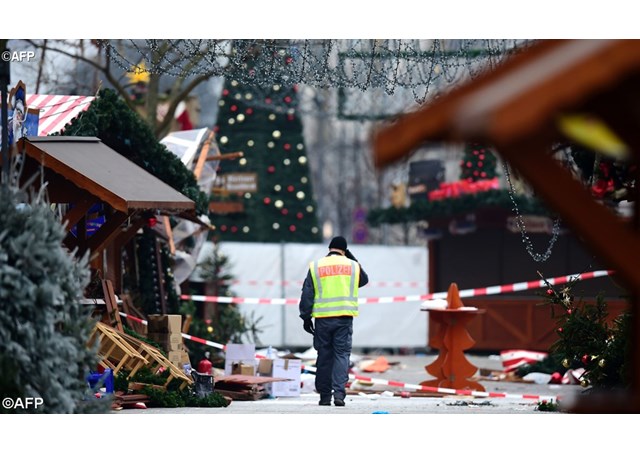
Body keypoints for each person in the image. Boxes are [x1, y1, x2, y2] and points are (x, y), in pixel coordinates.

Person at [299, 236, 369, 407]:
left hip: (322, 319)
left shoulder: (316, 266)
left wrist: (306, 317)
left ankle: (324, 396)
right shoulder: (353, 266)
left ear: (329, 248)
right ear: (345, 250)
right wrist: (350, 256)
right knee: (341, 355)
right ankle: (339, 394)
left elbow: (307, 293)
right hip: (344, 318)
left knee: (324, 356)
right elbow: (364, 280)